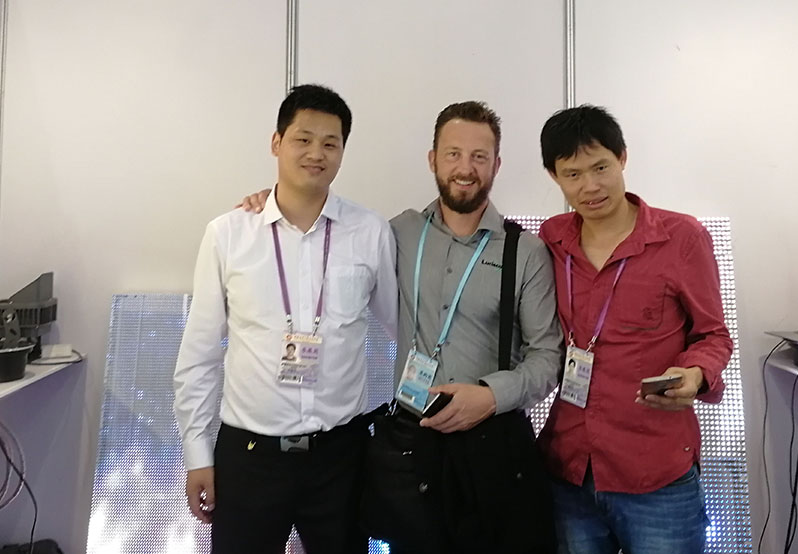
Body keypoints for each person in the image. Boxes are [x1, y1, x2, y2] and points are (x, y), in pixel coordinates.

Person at [238, 100, 563, 554]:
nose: (465, 168)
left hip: (491, 448)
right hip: (411, 446)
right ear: (433, 160)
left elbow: (548, 357)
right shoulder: (394, 233)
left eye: (479, 156)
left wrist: (491, 396)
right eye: (453, 154)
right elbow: (319, 231)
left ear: (497, 164)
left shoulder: (525, 251)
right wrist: (274, 200)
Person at [173, 84, 397, 554]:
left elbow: (404, 328)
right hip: (250, 457)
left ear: (342, 152)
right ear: (276, 143)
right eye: (303, 139)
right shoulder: (228, 234)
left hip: (342, 457)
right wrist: (197, 453)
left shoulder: (370, 231)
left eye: (330, 143)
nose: (316, 153)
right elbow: (199, 354)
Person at [536, 104, 733, 554]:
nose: (590, 186)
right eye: (572, 174)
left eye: (600, 167)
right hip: (569, 468)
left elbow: (713, 335)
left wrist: (695, 374)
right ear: (554, 177)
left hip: (654, 471)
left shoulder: (682, 237)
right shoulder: (551, 239)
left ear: (622, 157)